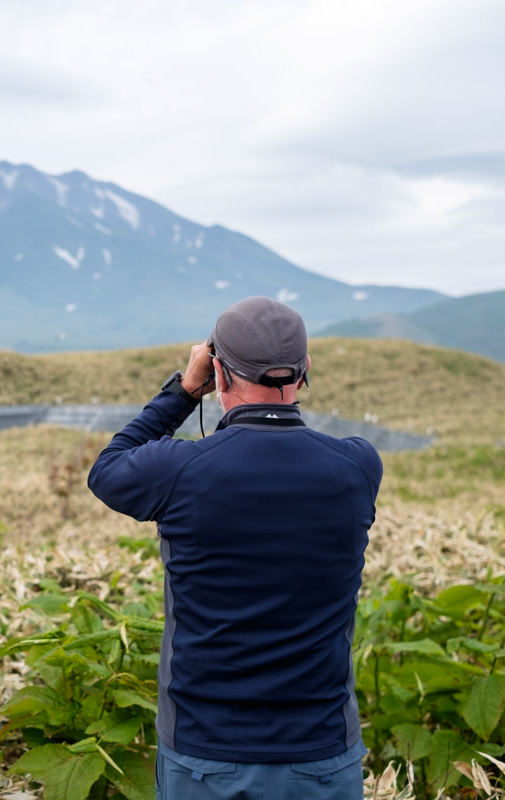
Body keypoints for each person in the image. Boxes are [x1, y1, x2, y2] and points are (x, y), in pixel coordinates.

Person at [87, 296, 381, 800]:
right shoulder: (357, 467)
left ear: (218, 375)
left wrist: (183, 391)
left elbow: (108, 468)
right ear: (305, 371)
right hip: (322, 755)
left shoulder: (178, 471)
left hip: (205, 755)